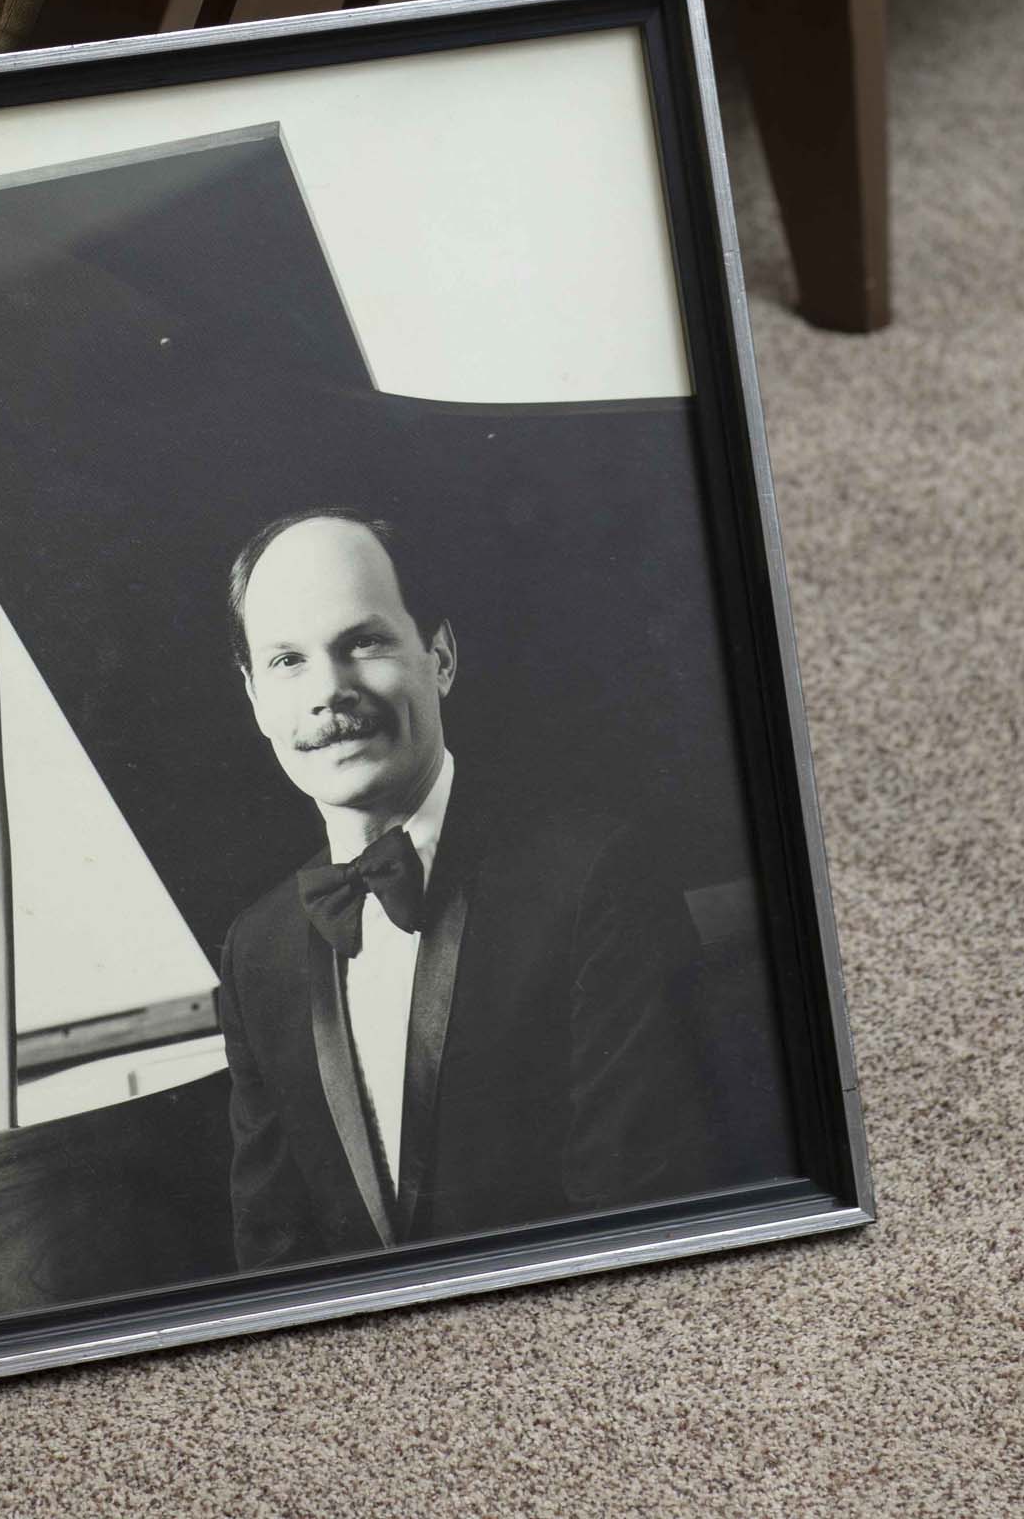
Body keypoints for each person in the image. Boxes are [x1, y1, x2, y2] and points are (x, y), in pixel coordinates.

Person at [216, 506, 711, 1271]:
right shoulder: (256, 951)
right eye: (288, 662)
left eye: (364, 642)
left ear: (439, 657)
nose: (330, 692)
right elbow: (273, 1255)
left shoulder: (597, 876)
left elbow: (636, 1219)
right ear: (253, 697)